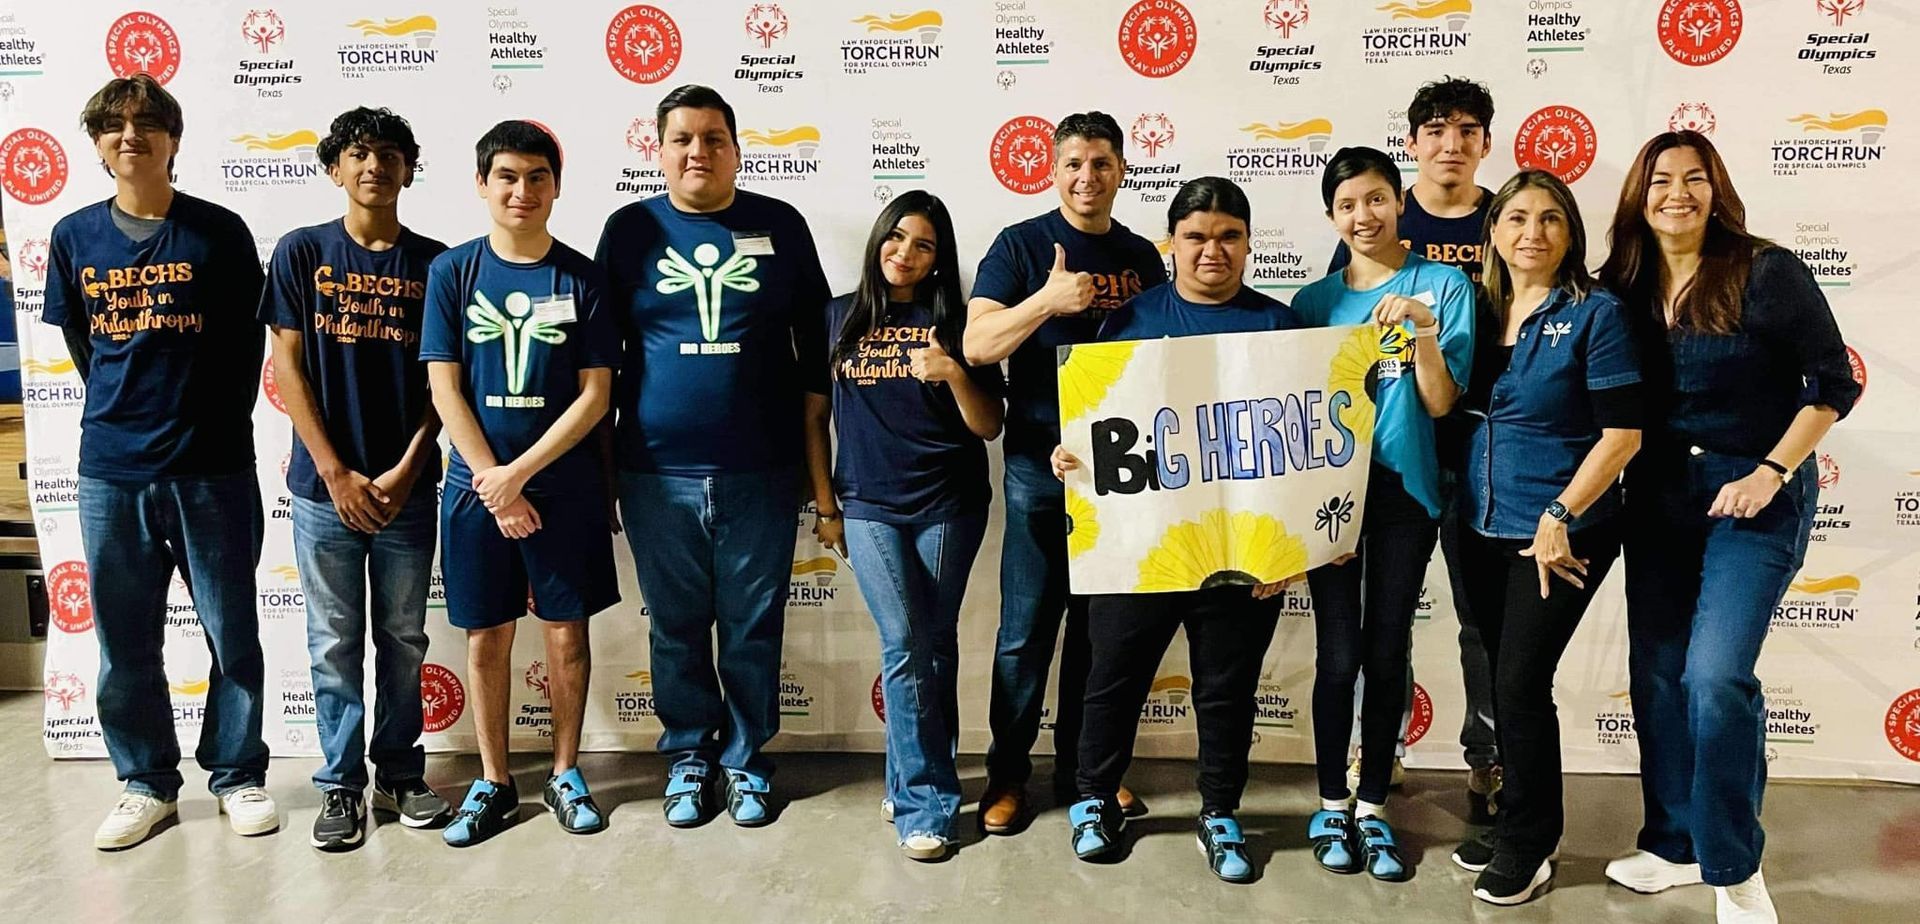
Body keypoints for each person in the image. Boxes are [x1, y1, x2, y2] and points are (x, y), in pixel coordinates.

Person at [1598, 131, 1856, 924]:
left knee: (1715, 677)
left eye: (1695, 179)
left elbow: (1831, 386)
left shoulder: (1766, 270)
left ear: (1718, 189)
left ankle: (1734, 866)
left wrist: (1771, 472)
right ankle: (1674, 844)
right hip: (1660, 498)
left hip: (1754, 491)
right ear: (1639, 196)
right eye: (1661, 181)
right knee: (1660, 676)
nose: (1677, 193)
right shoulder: (1622, 283)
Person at [43, 74, 277, 851]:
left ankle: (238, 775)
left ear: (174, 139)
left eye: (147, 124)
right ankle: (146, 783)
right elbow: (84, 347)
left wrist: (204, 426)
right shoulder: (75, 236)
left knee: (232, 633)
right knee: (124, 640)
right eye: (113, 125)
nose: (130, 136)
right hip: (112, 470)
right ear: (99, 144)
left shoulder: (219, 230)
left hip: (212, 468)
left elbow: (249, 346)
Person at [1048, 177, 1301, 883]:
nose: (1212, 250)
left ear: (1248, 243)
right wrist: (1071, 454)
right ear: (1172, 244)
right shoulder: (1127, 320)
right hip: (1139, 548)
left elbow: (1299, 454)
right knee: (1112, 678)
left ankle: (1220, 811)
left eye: (1228, 236)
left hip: (1240, 555)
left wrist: (1292, 549)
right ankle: (1095, 798)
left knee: (1227, 689)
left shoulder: (1280, 329)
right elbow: (1093, 425)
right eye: (1196, 236)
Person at [595, 85, 831, 828]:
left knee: (753, 624)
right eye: (683, 140)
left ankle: (745, 759)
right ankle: (691, 756)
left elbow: (816, 347)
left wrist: (817, 464)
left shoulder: (779, 225)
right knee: (675, 625)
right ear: (658, 150)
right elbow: (599, 360)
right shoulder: (629, 229)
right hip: (654, 470)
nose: (698, 152)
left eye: (713, 138)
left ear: (736, 147)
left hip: (761, 468)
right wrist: (602, 474)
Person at [963, 112, 1166, 832]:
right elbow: (978, 343)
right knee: (1025, 633)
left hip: (1122, 478)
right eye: (1074, 162)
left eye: (1102, 163)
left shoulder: (1143, 255)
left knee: (1099, 634)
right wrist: (1046, 301)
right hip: (1037, 473)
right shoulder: (1020, 245)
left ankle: (1091, 773)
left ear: (1121, 170)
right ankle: (1007, 778)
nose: (1088, 176)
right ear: (1053, 168)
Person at [421, 120, 621, 847]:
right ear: (482, 184)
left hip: (560, 487)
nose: (522, 190)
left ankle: (566, 771)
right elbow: (445, 390)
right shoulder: (452, 273)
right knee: (485, 635)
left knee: (566, 633)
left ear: (557, 186)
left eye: (538, 177)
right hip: (475, 488)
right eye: (506, 176)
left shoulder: (582, 278)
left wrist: (518, 477)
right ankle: (494, 779)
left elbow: (596, 395)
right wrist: (490, 481)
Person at [1446, 170, 1643, 904]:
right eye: (1518, 218)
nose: (1533, 233)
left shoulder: (1597, 315)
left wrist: (1560, 515)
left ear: (1571, 234)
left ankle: (1531, 844)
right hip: (1474, 524)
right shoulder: (1477, 305)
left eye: (1551, 219)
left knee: (1522, 685)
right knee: (1500, 680)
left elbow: (1622, 436)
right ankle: (1514, 822)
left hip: (1557, 532)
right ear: (1493, 230)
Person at [260, 106, 452, 851]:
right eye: (359, 153)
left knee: (403, 637)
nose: (375, 166)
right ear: (335, 167)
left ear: (409, 167)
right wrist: (335, 470)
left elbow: (447, 381)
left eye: (390, 154)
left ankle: (400, 774)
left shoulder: (439, 263)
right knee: (333, 641)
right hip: (321, 491)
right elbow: (287, 366)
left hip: (407, 487)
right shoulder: (302, 253)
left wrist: (407, 468)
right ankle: (340, 785)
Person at [1292, 146, 1474, 882]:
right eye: (1346, 206)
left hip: (1405, 493)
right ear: (1331, 216)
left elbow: (1440, 402)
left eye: (1374, 199)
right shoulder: (1312, 303)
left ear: (1399, 200)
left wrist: (1424, 332)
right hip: (1331, 495)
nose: (1362, 217)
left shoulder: (1444, 285)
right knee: (1337, 651)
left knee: (1385, 643)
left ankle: (1373, 805)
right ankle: (1331, 800)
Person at [1329, 75, 1502, 818]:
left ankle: (1489, 758)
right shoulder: (1374, 227)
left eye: (1467, 131)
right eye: (1436, 130)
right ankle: (1380, 748)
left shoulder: (1512, 219)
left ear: (1485, 144)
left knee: (1482, 619)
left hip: (1493, 445)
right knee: (1384, 621)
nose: (1451, 144)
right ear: (1413, 148)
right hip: (1396, 456)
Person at [814, 191, 1003, 861]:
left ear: (938, 258)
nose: (905, 253)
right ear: (877, 240)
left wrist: (953, 371)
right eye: (896, 238)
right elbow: (814, 419)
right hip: (866, 505)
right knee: (905, 639)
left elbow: (987, 426)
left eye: (923, 244)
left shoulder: (958, 322)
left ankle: (911, 776)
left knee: (932, 642)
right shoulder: (837, 317)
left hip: (948, 504)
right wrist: (826, 507)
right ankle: (928, 801)